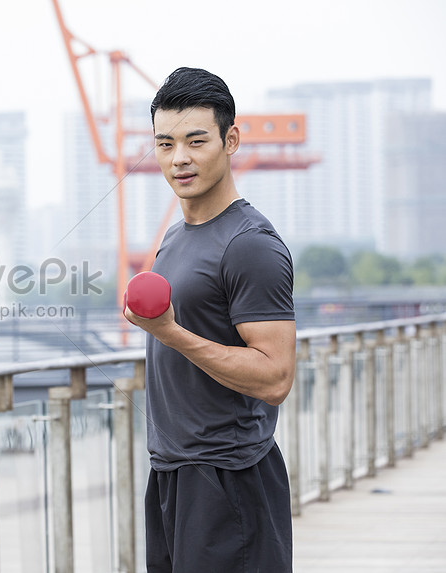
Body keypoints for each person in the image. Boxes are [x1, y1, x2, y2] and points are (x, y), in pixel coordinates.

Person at [124, 67, 297, 572]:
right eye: (165, 143)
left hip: (230, 478)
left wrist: (171, 334)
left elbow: (276, 377)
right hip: (172, 472)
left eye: (196, 141)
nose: (179, 158)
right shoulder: (174, 240)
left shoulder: (250, 245)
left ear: (231, 139)